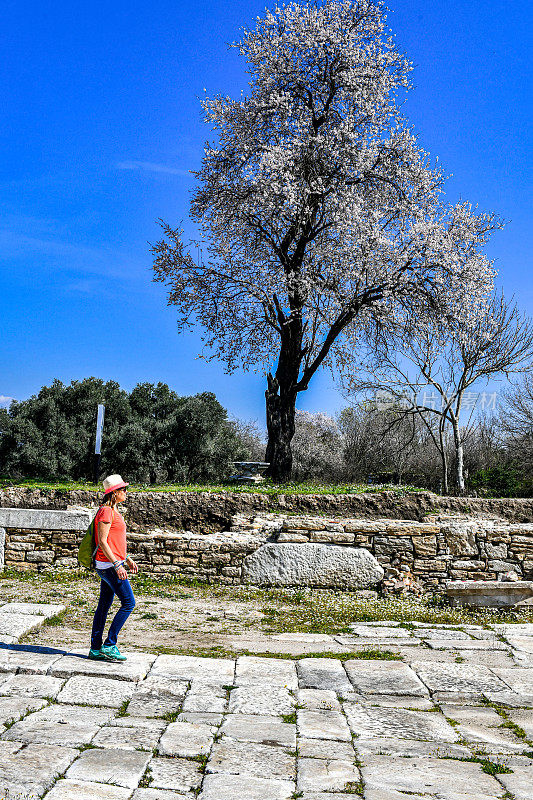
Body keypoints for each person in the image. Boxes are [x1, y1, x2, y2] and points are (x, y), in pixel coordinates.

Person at [89, 474, 138, 662]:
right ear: (114, 493)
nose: (126, 492)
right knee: (129, 603)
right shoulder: (107, 511)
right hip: (108, 565)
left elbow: (114, 541)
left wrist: (126, 558)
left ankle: (95, 648)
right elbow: (102, 541)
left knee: (104, 606)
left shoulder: (112, 511)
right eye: (123, 489)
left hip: (111, 563)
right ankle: (109, 645)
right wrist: (118, 564)